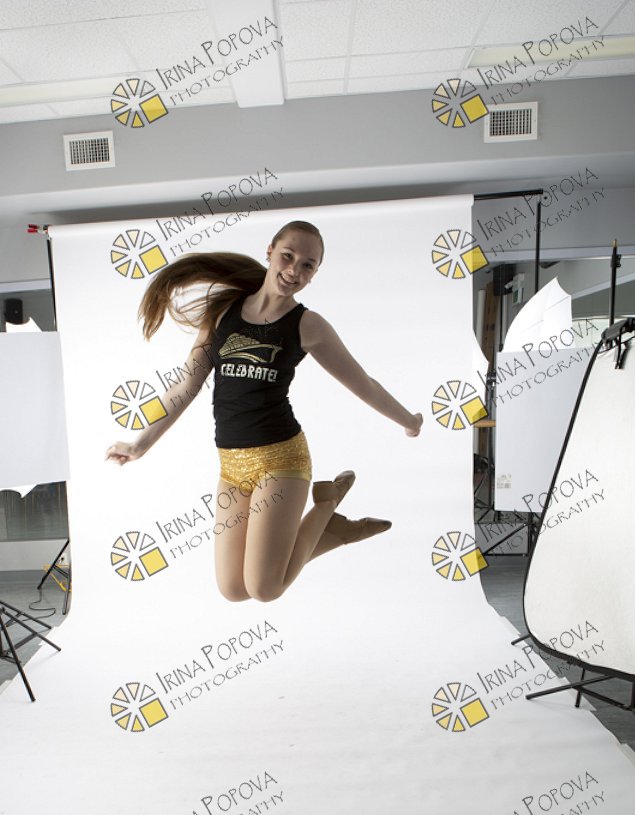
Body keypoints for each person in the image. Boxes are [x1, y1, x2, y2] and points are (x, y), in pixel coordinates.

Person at [106, 220, 422, 602]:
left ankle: (327, 504)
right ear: (270, 252)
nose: (294, 270)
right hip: (231, 467)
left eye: (308, 265)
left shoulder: (307, 325)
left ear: (315, 273)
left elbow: (364, 384)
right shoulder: (222, 314)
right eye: (288, 256)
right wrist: (140, 444)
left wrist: (409, 420)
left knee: (265, 587)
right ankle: (334, 531)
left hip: (282, 460)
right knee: (233, 590)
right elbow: (186, 386)